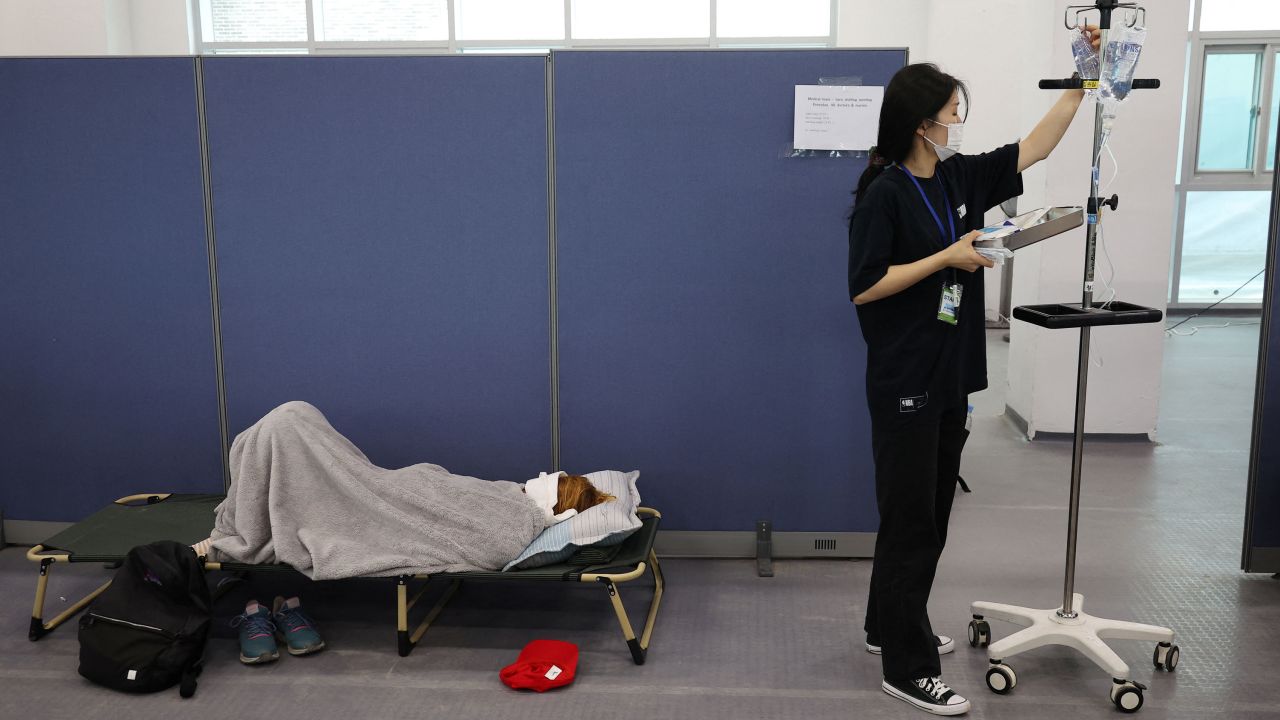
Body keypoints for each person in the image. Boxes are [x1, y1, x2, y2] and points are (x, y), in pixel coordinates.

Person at [847, 27, 1100, 716]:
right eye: (952, 113)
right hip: (905, 379)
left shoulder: (959, 177)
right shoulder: (884, 194)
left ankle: (884, 626)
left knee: (927, 512)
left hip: (951, 372)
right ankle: (908, 667)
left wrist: (1084, 79)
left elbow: (1036, 146)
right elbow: (866, 285)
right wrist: (947, 259)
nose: (960, 123)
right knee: (911, 524)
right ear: (921, 125)